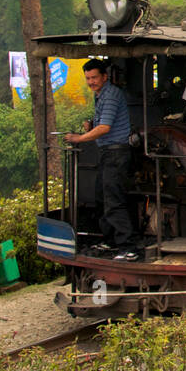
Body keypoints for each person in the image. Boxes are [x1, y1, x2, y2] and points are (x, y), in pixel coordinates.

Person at [65, 60, 138, 260]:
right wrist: (91, 124)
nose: (91, 82)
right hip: (106, 153)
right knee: (101, 197)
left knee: (114, 199)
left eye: (94, 77)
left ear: (104, 77)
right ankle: (111, 240)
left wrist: (79, 138)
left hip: (117, 152)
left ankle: (128, 247)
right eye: (88, 78)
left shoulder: (112, 94)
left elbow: (105, 128)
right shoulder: (100, 96)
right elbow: (102, 124)